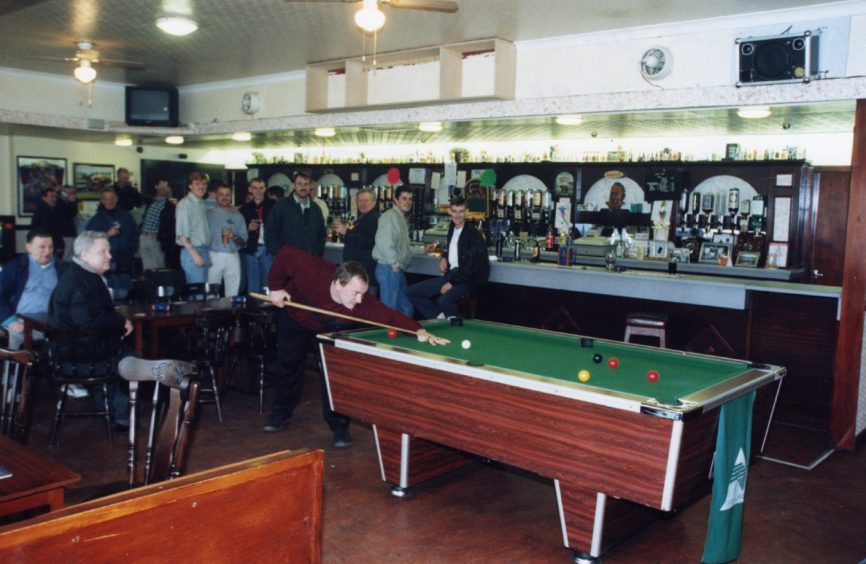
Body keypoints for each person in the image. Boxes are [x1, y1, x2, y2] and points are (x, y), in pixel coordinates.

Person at [264, 244, 448, 447]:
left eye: (363, 293)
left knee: (334, 374)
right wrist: (275, 287)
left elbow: (390, 316)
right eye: (355, 293)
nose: (359, 299)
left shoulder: (362, 303)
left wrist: (418, 330)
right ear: (338, 284)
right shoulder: (313, 270)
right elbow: (285, 254)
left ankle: (340, 428)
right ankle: (280, 414)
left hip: (328, 329)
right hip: (296, 317)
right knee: (288, 365)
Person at [47, 231, 134, 430]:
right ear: (84, 254)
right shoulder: (81, 281)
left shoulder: (80, 275)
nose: (109, 256)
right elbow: (87, 322)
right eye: (102, 251)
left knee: (124, 349)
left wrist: (118, 321)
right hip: (81, 358)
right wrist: (120, 321)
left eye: (109, 251)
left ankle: (110, 409)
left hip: (74, 353)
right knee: (132, 357)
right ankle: (119, 416)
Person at [408, 197, 490, 320]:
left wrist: (451, 283)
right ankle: (441, 318)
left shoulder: (473, 235)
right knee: (412, 292)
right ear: (449, 211)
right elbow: (453, 250)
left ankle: (458, 329)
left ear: (466, 212)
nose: (457, 215)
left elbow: (470, 267)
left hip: (469, 281)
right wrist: (444, 258)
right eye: (454, 211)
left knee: (444, 301)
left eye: (461, 211)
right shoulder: (452, 228)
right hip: (453, 276)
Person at [0, 229, 66, 350]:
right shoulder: (16, 267)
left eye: (50, 247)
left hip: (52, 324)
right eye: (42, 247)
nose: (47, 251)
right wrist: (11, 322)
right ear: (29, 247)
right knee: (18, 341)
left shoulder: (61, 270)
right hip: (21, 323)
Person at [372, 185, 415, 316]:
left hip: (395, 269)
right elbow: (384, 243)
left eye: (410, 199)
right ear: (395, 200)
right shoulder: (389, 216)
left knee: (405, 310)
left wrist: (423, 249)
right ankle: (385, 336)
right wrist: (395, 265)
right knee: (390, 312)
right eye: (404, 198)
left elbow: (402, 246)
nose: (408, 202)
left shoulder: (400, 217)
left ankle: (402, 335)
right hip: (389, 269)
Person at [264, 171, 325, 258]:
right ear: (293, 185)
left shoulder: (315, 209)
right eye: (300, 184)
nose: (303, 187)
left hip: (310, 260)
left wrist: (317, 252)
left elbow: (321, 234)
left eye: (306, 184)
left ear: (310, 186)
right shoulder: (281, 206)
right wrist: (280, 252)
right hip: (287, 260)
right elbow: (270, 231)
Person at [333, 187, 380, 295]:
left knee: (365, 307)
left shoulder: (374, 219)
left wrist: (346, 232)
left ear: (374, 202)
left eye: (366, 200)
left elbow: (367, 241)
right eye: (360, 201)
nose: (362, 204)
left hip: (365, 272)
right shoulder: (365, 217)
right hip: (360, 272)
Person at [206, 182, 247, 297]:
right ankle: (212, 314)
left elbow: (244, 242)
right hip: (213, 256)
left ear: (231, 196)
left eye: (227, 195)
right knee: (211, 293)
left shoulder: (237, 215)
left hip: (233, 256)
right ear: (216, 195)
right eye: (221, 194)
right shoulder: (207, 214)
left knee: (233, 293)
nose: (224, 197)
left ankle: (231, 315)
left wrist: (234, 236)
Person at [86, 188, 139, 276]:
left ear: (116, 199)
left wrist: (132, 249)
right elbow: (89, 238)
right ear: (102, 201)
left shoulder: (126, 215)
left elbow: (135, 233)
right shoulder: (97, 219)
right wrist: (107, 234)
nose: (109, 201)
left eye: (112, 198)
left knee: (124, 287)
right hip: (108, 259)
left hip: (126, 257)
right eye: (106, 199)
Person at [238, 177, 274, 294]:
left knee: (268, 284)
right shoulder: (243, 209)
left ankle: (268, 311)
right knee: (252, 286)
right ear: (250, 189)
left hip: (268, 249)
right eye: (254, 188)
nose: (258, 191)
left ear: (265, 189)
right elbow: (238, 232)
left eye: (261, 188)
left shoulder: (274, 206)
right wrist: (247, 228)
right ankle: (253, 311)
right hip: (251, 249)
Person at [175, 171, 210, 284]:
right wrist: (195, 255)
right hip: (192, 252)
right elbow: (182, 235)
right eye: (197, 183)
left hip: (203, 251)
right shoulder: (185, 204)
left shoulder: (201, 203)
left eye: (204, 183)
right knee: (197, 295)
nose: (201, 187)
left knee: (202, 293)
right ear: (190, 186)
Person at [139, 179, 176, 271]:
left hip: (156, 239)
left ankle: (158, 285)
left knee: (158, 268)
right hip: (143, 237)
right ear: (156, 187)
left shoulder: (170, 207)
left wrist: (159, 235)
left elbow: (171, 228)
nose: (163, 188)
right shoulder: (150, 202)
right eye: (161, 186)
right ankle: (149, 285)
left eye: (166, 186)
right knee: (147, 269)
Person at [30, 187, 66, 259]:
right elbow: (48, 229)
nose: (54, 200)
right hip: (46, 244)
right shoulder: (42, 212)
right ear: (44, 198)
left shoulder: (52, 210)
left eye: (55, 197)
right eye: (52, 197)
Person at [57, 185, 79, 261]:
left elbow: (75, 213)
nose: (73, 194)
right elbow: (70, 214)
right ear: (64, 193)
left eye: (74, 192)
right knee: (67, 254)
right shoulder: (59, 202)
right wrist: (72, 202)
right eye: (71, 192)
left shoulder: (67, 201)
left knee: (71, 253)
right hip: (65, 232)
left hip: (70, 231)